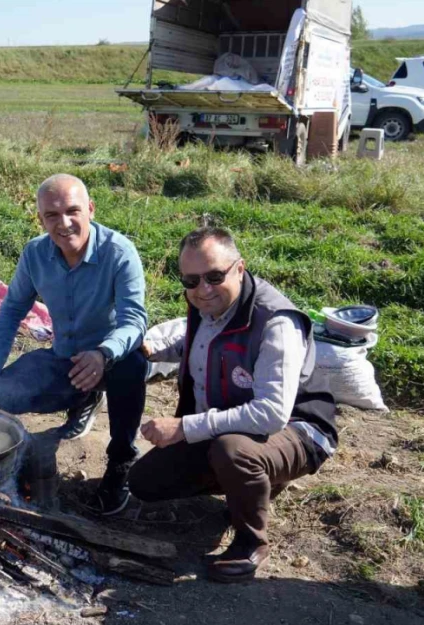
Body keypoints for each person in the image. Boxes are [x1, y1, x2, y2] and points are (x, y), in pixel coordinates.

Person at [128, 226, 337, 583]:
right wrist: (147, 348)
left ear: (239, 269)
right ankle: (251, 483)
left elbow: (270, 414)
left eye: (214, 276)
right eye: (191, 280)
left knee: (233, 450)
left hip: (298, 430)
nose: (203, 289)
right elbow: (194, 341)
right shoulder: (205, 303)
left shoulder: (275, 322)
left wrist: (183, 428)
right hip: (232, 421)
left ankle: (250, 541)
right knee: (145, 482)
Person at [0, 174, 149, 516]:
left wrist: (103, 353)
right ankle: (83, 401)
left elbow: (134, 321)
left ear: (90, 209)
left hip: (112, 357)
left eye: (73, 211)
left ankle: (120, 462)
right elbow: (11, 311)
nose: (64, 223)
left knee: (133, 367)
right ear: (41, 218)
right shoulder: (35, 254)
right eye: (51, 215)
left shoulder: (119, 253)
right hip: (65, 358)